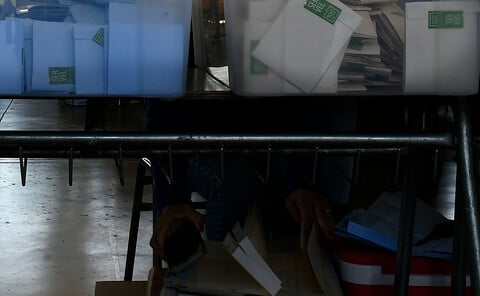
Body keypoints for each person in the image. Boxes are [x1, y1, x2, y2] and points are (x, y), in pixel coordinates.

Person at [144, 97, 344, 265]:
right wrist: (172, 197)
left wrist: (303, 176)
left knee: (308, 211)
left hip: (278, 133)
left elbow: (314, 91)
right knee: (231, 181)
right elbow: (161, 99)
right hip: (199, 137)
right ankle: (221, 281)